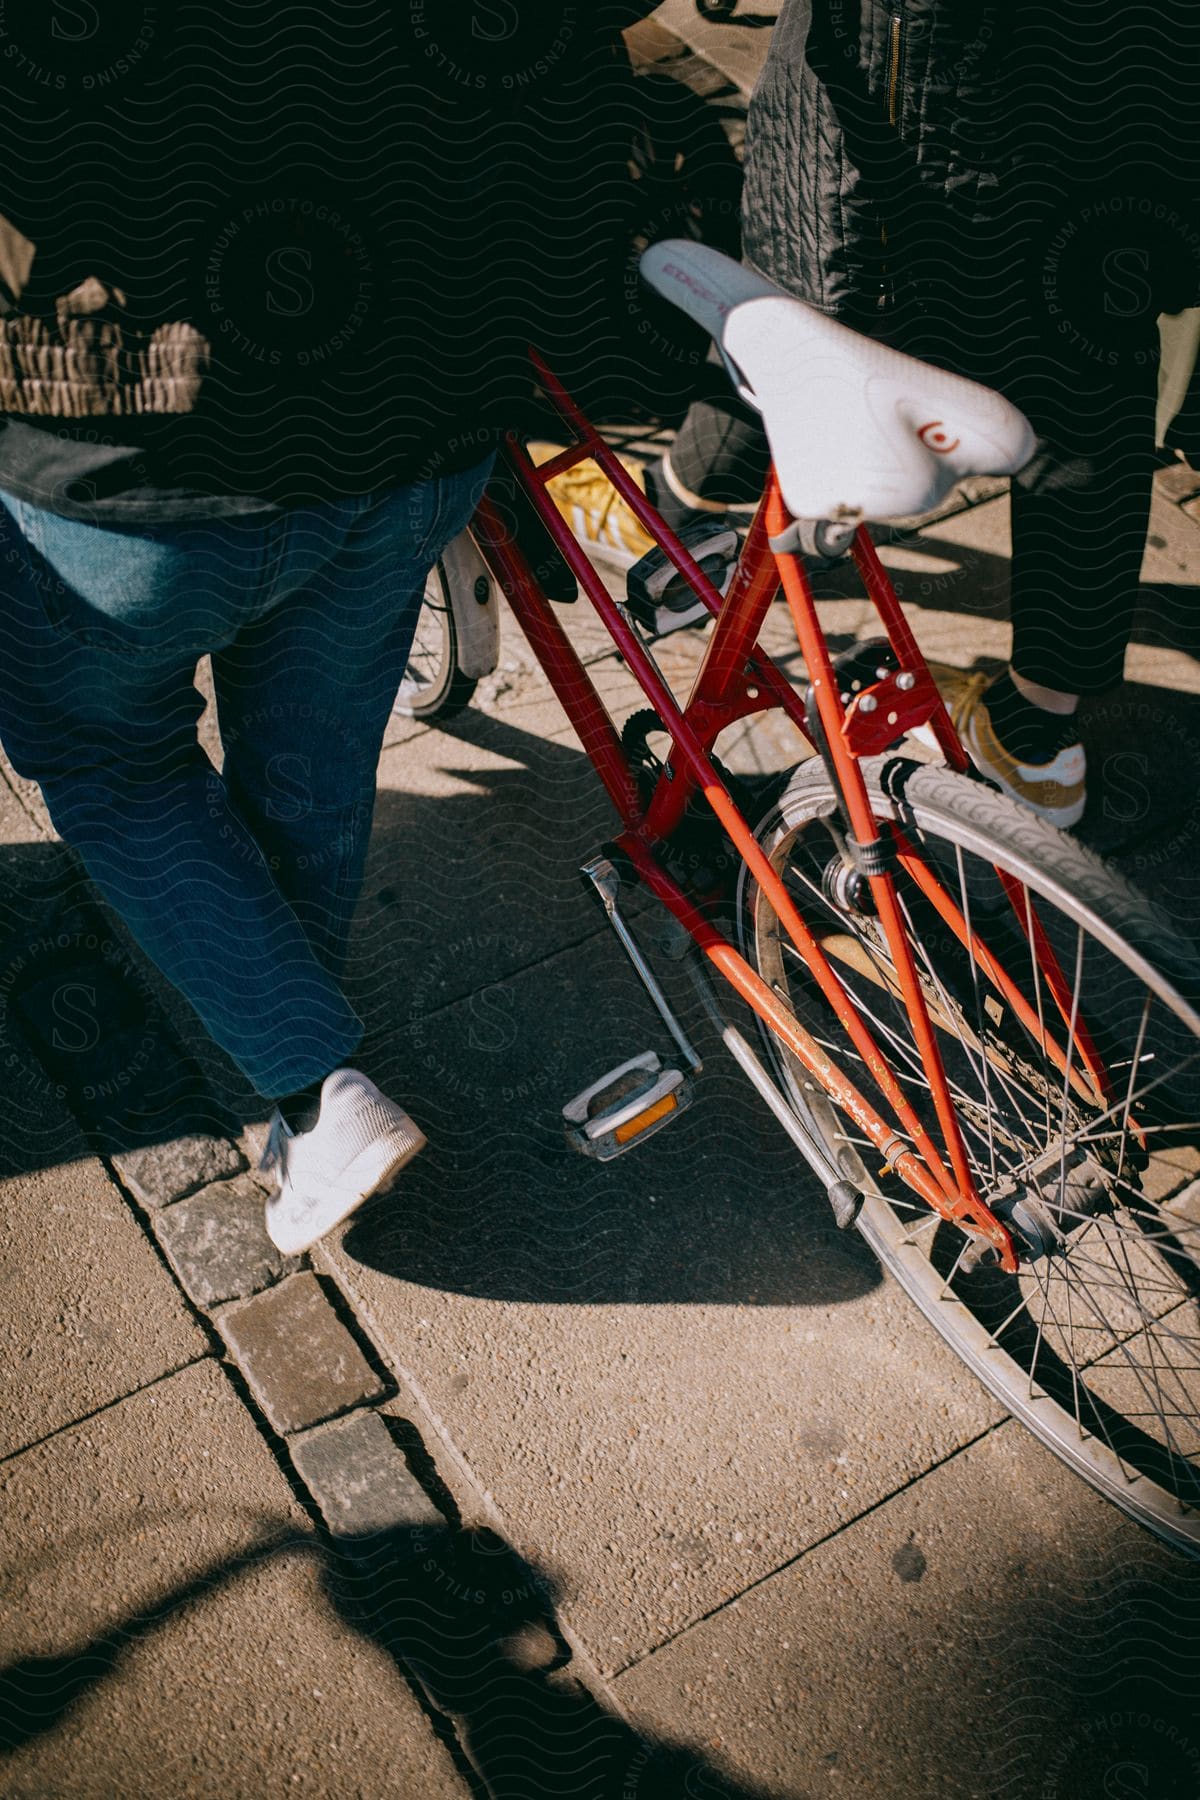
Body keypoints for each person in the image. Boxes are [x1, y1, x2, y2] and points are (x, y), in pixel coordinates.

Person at [0, 4, 654, 1253]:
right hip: (414, 407)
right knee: (317, 744)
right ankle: (306, 1079)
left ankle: (313, 1088)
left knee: (111, 759)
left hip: (134, 446)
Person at [540, 0, 1200, 829]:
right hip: (1129, 99)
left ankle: (674, 536)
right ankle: (1036, 744)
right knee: (1085, 387)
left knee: (787, 320)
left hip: (903, 118)